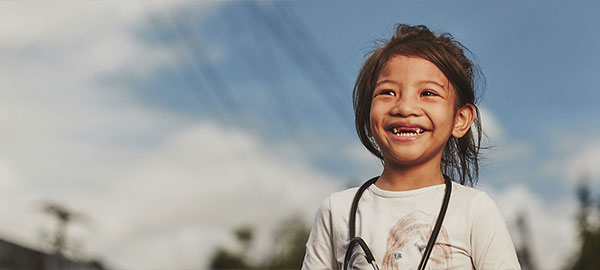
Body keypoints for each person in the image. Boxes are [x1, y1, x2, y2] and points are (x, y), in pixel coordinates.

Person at [301, 24, 521, 269]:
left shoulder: (475, 210)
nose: (404, 108)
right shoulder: (337, 211)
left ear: (460, 120)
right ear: (367, 113)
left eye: (427, 93)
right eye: (388, 92)